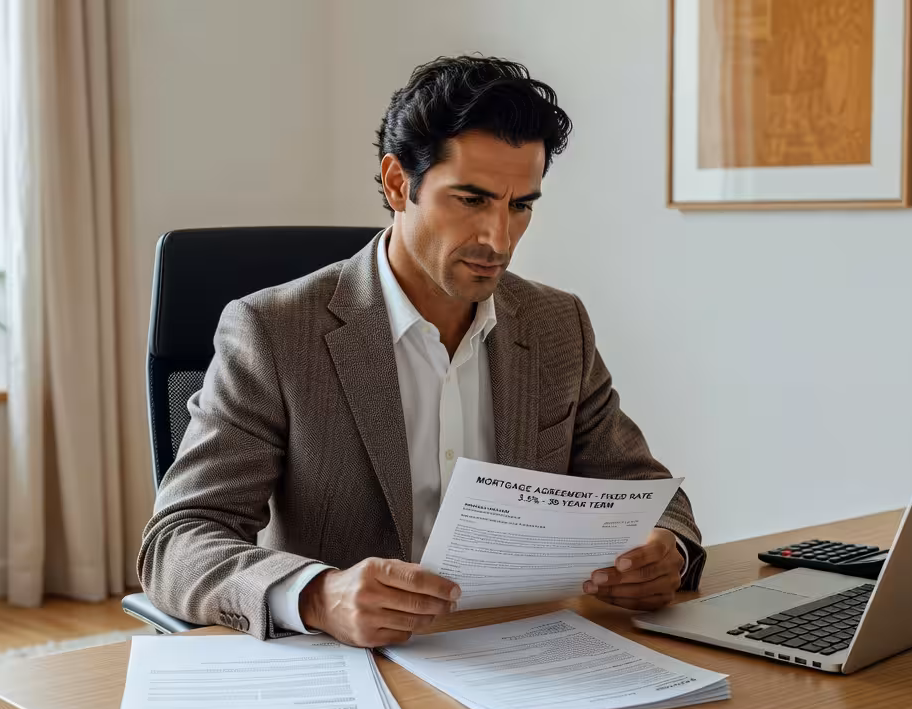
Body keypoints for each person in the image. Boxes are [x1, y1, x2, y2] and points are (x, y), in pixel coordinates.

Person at [139, 55, 704, 647]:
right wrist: (317, 595)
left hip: (525, 654)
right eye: (471, 200)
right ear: (396, 182)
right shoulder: (272, 332)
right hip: (358, 670)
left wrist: (667, 550)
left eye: (520, 205)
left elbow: (648, 491)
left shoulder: (556, 325)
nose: (499, 239)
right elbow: (178, 540)